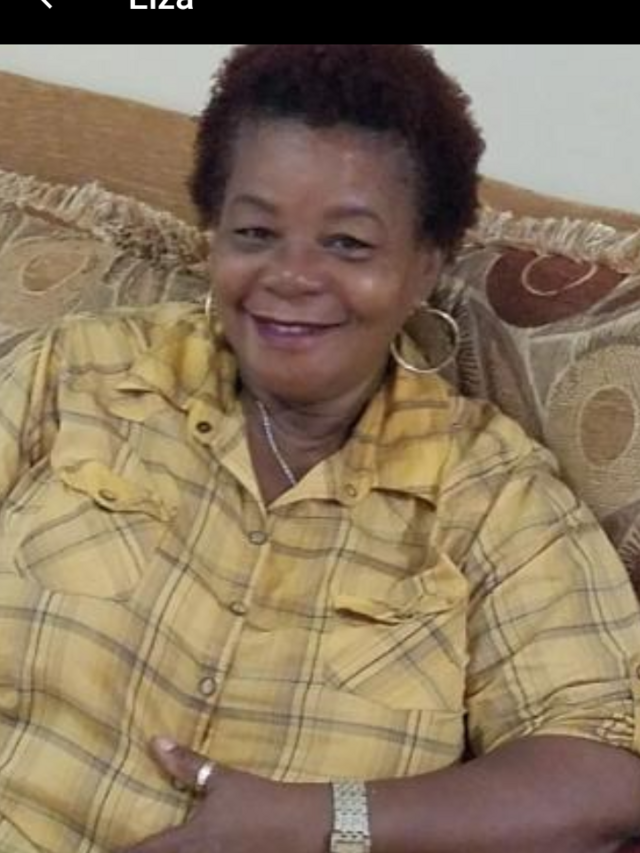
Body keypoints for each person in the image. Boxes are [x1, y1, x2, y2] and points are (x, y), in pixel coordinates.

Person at [1, 44, 640, 853]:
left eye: (347, 243)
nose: (292, 275)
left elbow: (603, 775)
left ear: (424, 266)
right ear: (213, 236)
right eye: (255, 232)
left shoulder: (495, 497)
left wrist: (319, 818)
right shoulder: (80, 373)